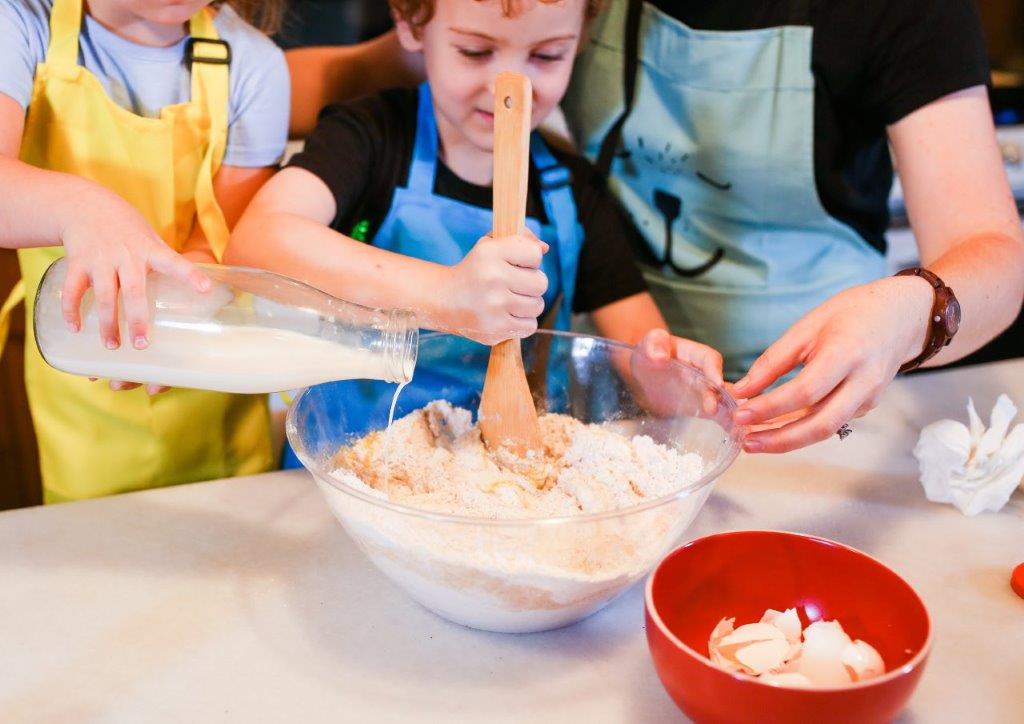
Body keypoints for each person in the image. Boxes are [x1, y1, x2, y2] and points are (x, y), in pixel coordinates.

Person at [287, 0, 1024, 454]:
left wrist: (909, 309)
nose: (514, 75)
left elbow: (997, 255)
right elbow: (421, 51)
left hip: (822, 403)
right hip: (623, 412)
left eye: (551, 56)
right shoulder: (454, 71)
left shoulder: (902, 12)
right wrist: (207, 84)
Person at [226, 0, 723, 459]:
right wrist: (445, 296)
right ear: (411, 23)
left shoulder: (573, 192)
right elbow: (257, 240)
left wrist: (664, 373)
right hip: (348, 465)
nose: (509, 84)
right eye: (475, 50)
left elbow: (638, 351)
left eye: (548, 55)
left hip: (508, 481)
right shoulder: (371, 139)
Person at [0, 0, 290, 501]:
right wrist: (84, 209)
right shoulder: (21, 26)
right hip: (80, 391)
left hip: (206, 385)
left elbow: (224, 241)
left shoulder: (254, 64)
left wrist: (173, 310)